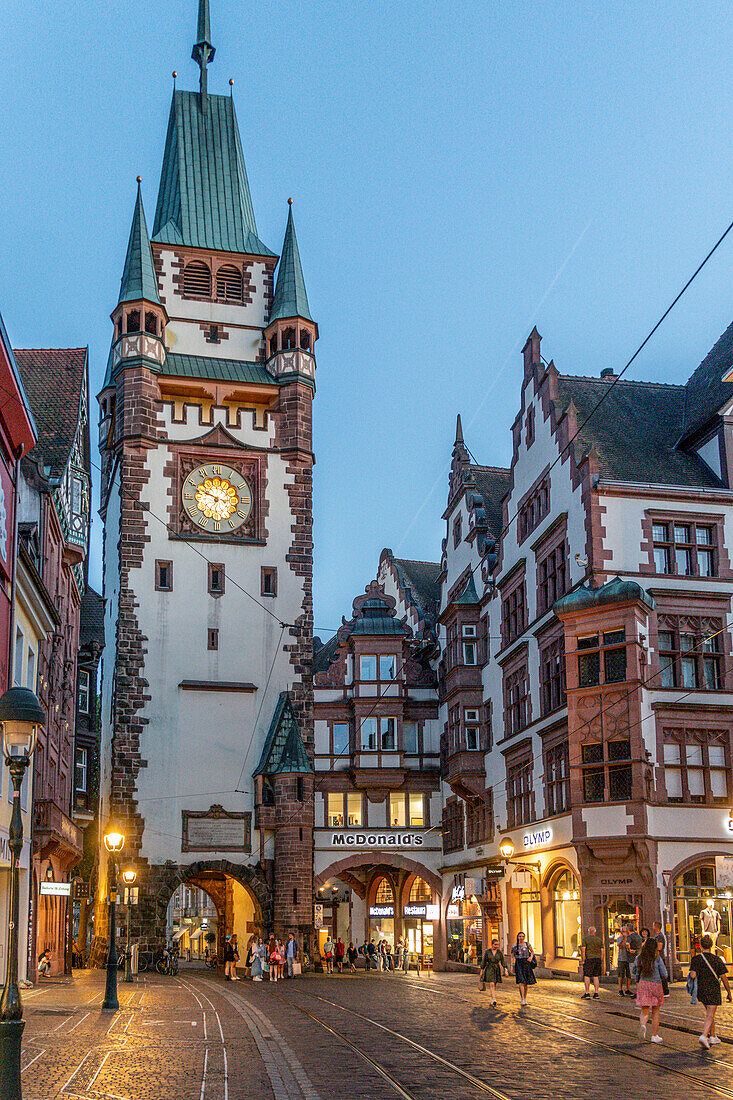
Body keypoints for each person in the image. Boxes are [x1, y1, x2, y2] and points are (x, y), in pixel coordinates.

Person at [690, 933, 732, 1049]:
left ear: (700, 946)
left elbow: (693, 975)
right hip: (713, 989)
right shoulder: (717, 959)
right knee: (710, 1014)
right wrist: (729, 992)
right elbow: (723, 978)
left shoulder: (696, 959)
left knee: (709, 1012)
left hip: (701, 990)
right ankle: (704, 1036)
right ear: (711, 946)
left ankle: (713, 1036)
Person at [632, 936, 667, 1043]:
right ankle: (654, 1035)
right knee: (656, 1012)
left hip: (643, 985)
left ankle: (643, 1025)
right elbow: (665, 974)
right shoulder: (657, 958)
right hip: (656, 984)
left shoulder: (639, 958)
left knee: (644, 1010)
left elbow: (633, 970)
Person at [510, 931, 536, 1006]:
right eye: (520, 936)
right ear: (518, 937)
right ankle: (522, 998)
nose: (521, 938)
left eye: (522, 936)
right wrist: (512, 966)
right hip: (519, 963)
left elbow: (532, 951)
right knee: (521, 981)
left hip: (526, 963)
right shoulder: (514, 946)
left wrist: (531, 957)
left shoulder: (527, 944)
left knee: (526, 983)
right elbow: (512, 956)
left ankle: (525, 997)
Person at [481, 939, 508, 1006]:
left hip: (496, 969)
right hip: (489, 968)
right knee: (492, 984)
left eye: (497, 944)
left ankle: (492, 997)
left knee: (494, 984)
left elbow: (502, 961)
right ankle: (494, 998)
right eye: (495, 944)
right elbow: (484, 961)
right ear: (492, 944)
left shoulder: (499, 953)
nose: (496, 946)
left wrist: (505, 969)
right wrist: (481, 970)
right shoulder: (488, 952)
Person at [581, 925, 603, 999]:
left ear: (588, 932)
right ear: (595, 932)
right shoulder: (599, 940)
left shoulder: (585, 939)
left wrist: (583, 960)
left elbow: (583, 950)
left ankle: (587, 993)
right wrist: (601, 960)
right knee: (596, 976)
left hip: (589, 959)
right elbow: (602, 951)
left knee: (587, 976)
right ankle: (596, 993)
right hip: (597, 959)